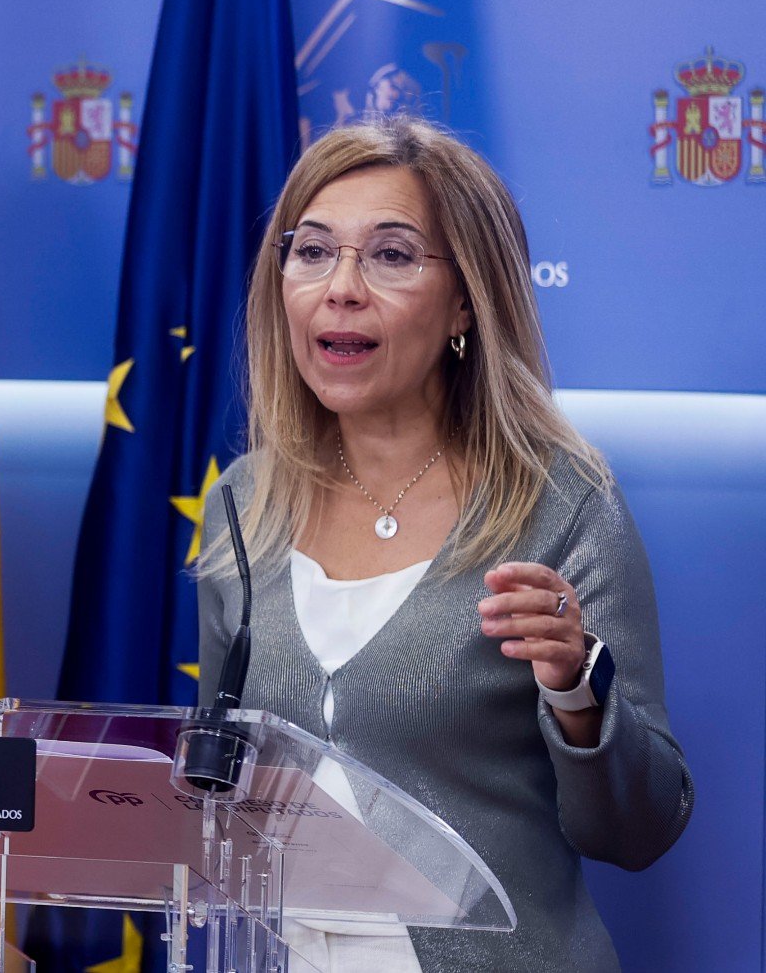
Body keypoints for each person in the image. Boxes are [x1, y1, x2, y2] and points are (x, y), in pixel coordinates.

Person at [195, 116, 693, 971]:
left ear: (467, 299)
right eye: (311, 251)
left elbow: (641, 828)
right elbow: (216, 785)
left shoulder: (562, 506)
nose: (339, 287)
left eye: (390, 256)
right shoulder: (244, 503)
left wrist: (579, 690)